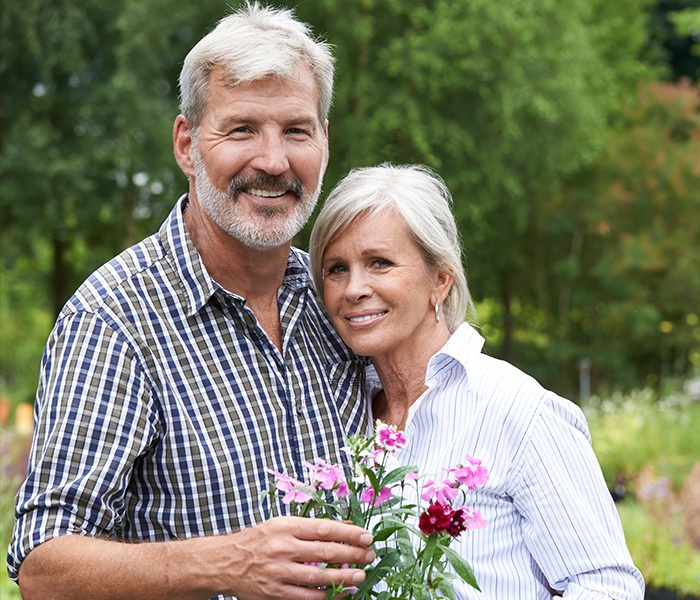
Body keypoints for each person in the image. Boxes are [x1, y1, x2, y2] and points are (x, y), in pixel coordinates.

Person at [8, 4, 376, 599]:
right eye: (241, 129)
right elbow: (43, 570)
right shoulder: (114, 320)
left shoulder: (343, 305)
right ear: (187, 144)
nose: (274, 161)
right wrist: (229, 564)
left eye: (297, 130)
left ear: (325, 142)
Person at [309, 163, 645, 599]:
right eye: (336, 268)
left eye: (379, 263)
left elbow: (607, 585)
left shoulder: (518, 410)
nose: (354, 288)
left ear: (440, 280)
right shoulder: (337, 411)